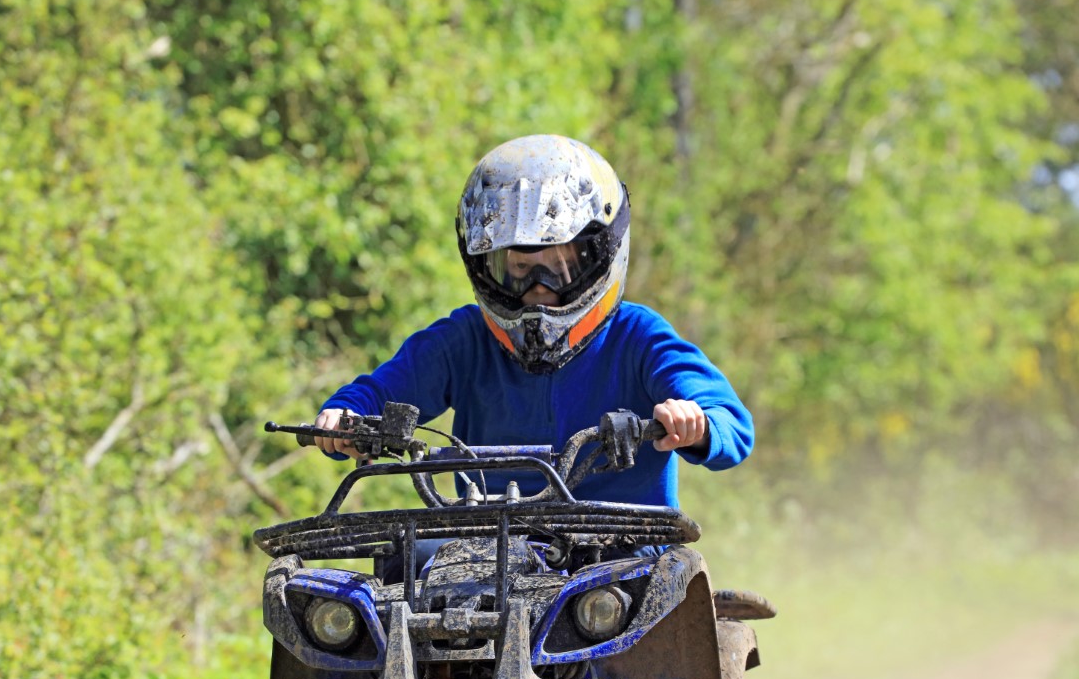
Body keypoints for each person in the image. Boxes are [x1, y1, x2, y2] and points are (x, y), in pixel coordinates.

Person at [312, 134, 752, 509]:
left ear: (601, 255)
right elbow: (378, 392)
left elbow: (732, 425)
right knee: (390, 581)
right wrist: (344, 415)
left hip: (628, 562)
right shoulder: (464, 341)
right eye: (518, 271)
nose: (538, 290)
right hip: (485, 552)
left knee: (673, 599)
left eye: (558, 267)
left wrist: (697, 425)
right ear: (483, 266)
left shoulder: (637, 336)